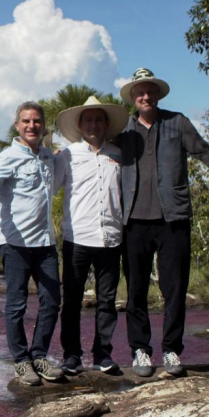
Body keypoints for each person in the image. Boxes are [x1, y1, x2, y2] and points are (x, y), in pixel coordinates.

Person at [117, 68, 209, 377]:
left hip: (174, 218)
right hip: (133, 221)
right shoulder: (123, 130)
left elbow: (205, 151)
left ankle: (171, 350)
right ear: (133, 97)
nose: (146, 96)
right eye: (140, 92)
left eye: (150, 91)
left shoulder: (177, 122)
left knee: (175, 288)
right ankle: (140, 350)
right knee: (136, 290)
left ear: (157, 94)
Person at [0, 102, 65, 386]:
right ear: (17, 125)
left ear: (43, 126)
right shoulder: (7, 157)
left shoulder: (48, 158)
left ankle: (39, 355)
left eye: (37, 121)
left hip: (44, 243)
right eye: (26, 121)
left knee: (52, 301)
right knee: (16, 305)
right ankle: (21, 361)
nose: (31, 125)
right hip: (14, 244)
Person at [53, 96, 128, 375]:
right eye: (88, 119)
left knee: (107, 300)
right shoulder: (67, 155)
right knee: (71, 300)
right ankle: (71, 355)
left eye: (98, 119)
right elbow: (48, 189)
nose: (93, 124)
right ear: (80, 124)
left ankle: (103, 354)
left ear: (106, 124)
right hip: (78, 238)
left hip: (111, 237)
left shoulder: (118, 154)